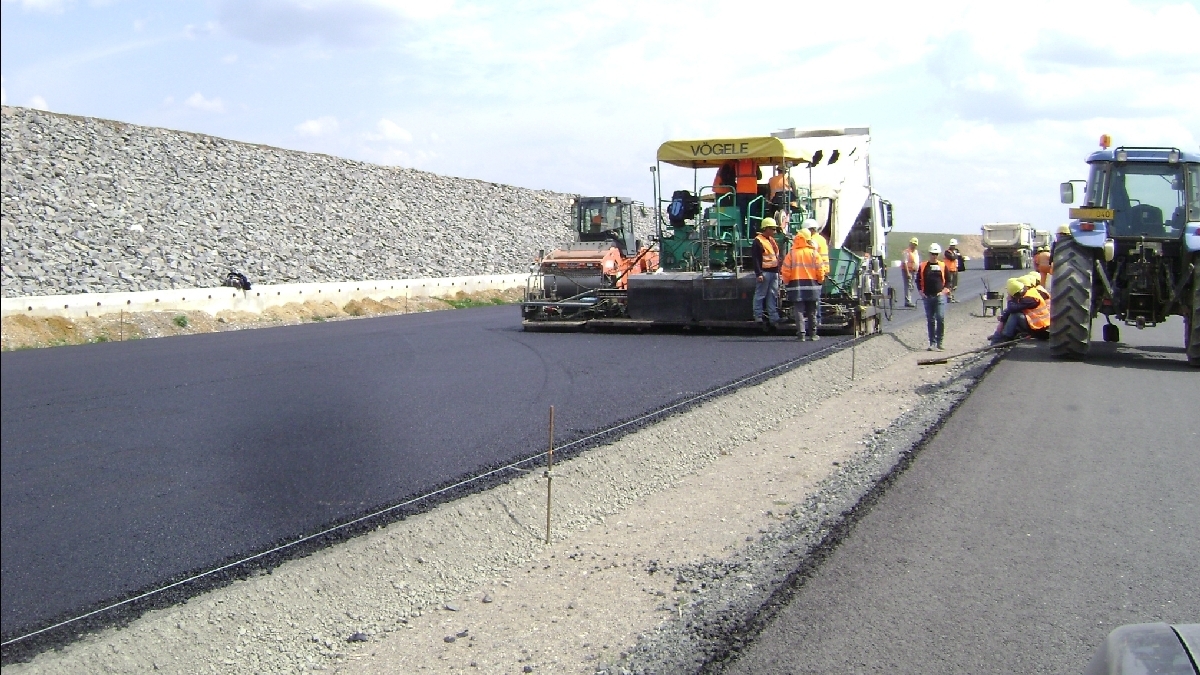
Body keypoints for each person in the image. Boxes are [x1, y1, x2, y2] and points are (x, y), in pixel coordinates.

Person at [782, 228, 826, 341]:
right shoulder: (814, 253)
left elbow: (785, 270)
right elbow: (820, 269)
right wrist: (820, 280)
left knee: (799, 310)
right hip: (812, 286)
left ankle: (801, 334)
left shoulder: (791, 254)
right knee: (812, 311)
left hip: (796, 286)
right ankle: (813, 334)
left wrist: (786, 282)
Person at [989, 277, 1050, 342]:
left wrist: (1010, 300)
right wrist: (1003, 316)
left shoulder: (1030, 298)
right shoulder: (1030, 292)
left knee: (1015, 315)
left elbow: (1013, 309)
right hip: (1039, 325)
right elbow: (1012, 309)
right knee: (1010, 314)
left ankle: (1006, 336)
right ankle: (1001, 335)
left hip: (1040, 328)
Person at [916, 242, 950, 351]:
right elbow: (918, 280)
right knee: (930, 320)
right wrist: (921, 292)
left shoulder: (942, 266)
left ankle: (940, 342)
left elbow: (948, 281)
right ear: (929, 254)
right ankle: (932, 343)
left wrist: (944, 291)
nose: (934, 256)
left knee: (940, 318)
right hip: (927, 297)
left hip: (939, 296)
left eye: (936, 254)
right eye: (932, 254)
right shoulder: (923, 266)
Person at [751, 217, 782, 330]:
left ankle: (774, 318)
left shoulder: (771, 240)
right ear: (766, 228)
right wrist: (758, 273)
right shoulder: (758, 241)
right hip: (765, 272)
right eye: (772, 229)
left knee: (772, 295)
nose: (775, 231)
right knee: (760, 295)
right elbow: (756, 259)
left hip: (774, 272)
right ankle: (758, 316)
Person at [901, 237, 920, 307]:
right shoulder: (906, 252)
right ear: (910, 243)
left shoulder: (916, 252)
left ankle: (909, 299)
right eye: (913, 244)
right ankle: (908, 301)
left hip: (914, 271)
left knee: (911, 286)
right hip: (907, 271)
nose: (914, 245)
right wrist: (908, 273)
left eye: (915, 244)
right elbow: (905, 263)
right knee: (908, 285)